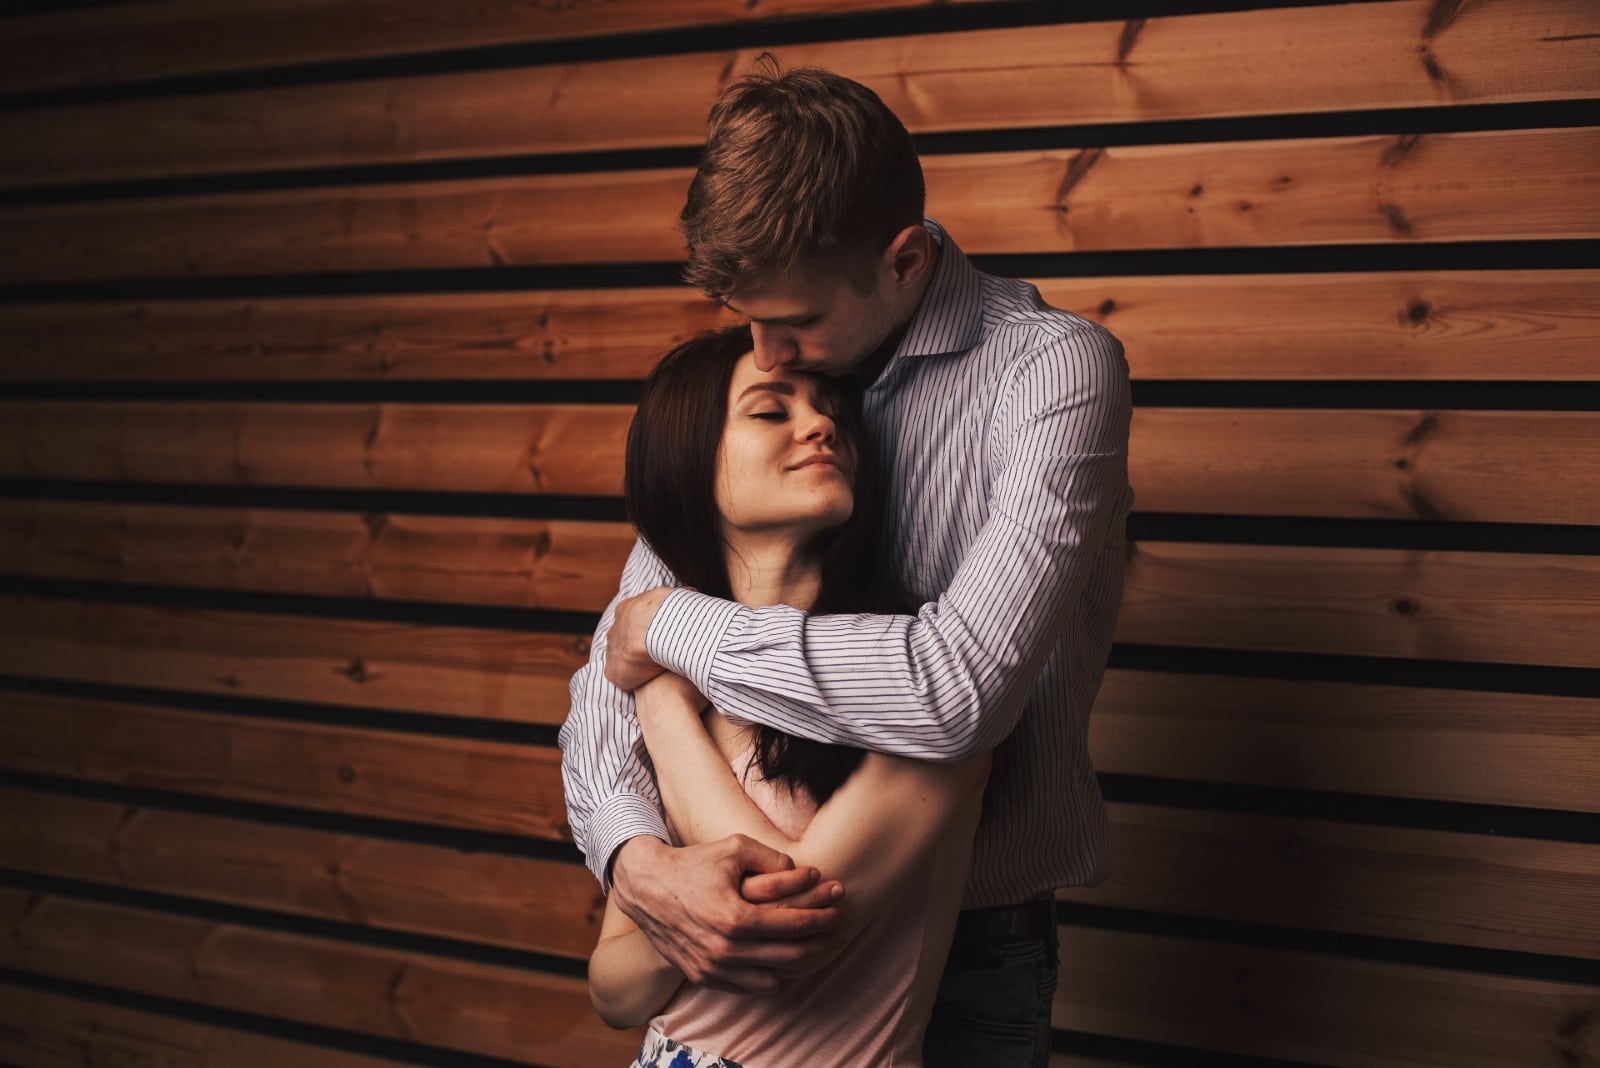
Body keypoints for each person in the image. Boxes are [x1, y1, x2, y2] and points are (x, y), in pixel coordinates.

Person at [560, 58, 1132, 1067]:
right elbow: (613, 676)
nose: (772, 358)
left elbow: (958, 695)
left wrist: (667, 628)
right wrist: (637, 860)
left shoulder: (1050, 374)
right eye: (753, 324)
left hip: (973, 944)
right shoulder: (766, 361)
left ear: (905, 259)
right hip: (705, 922)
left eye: (799, 325)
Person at [588, 324, 990, 1065]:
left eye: (829, 408)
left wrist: (659, 704)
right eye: (771, 411)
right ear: (688, 462)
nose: (820, 424)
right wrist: (681, 914)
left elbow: (793, 921)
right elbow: (611, 991)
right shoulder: (676, 673)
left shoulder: (922, 677)